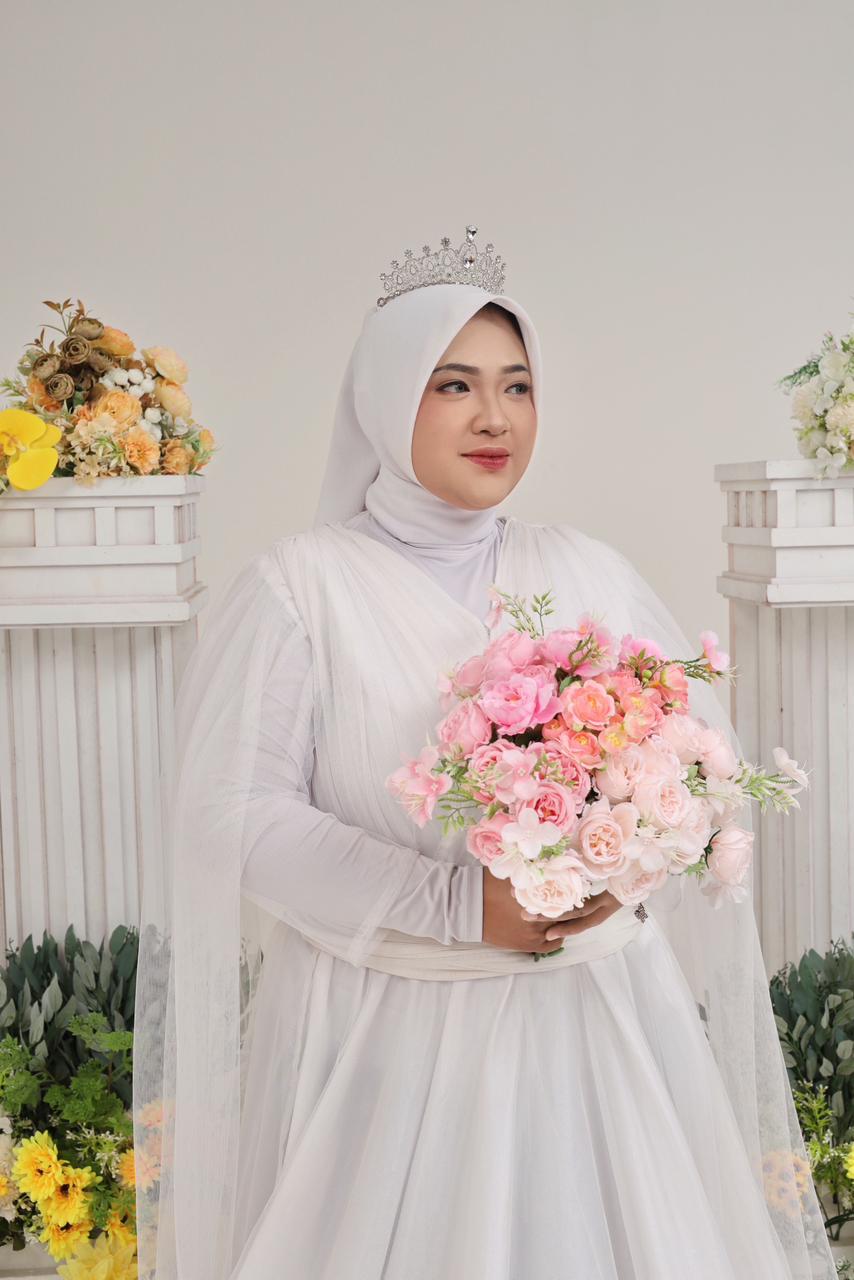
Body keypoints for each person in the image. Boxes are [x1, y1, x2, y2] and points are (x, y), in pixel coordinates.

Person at [132, 228, 834, 1280]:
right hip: (384, 1029)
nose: (494, 417)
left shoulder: (585, 568)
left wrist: (622, 868)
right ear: (385, 401)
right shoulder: (300, 587)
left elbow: (691, 767)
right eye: (453, 383)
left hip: (589, 1022)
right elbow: (231, 811)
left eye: (517, 385)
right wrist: (457, 903)